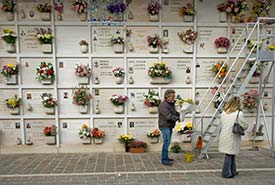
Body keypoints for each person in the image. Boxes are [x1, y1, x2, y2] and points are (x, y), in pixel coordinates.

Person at [218, 96, 248, 178]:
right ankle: (225, 173)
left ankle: (233, 171)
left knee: (231, 153)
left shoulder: (224, 112)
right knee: (229, 154)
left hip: (224, 135)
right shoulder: (239, 113)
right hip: (232, 136)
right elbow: (244, 125)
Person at [158, 89, 180, 165]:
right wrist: (177, 118)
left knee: (167, 142)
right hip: (165, 126)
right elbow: (168, 116)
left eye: (174, 96)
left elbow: (174, 113)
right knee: (166, 142)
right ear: (167, 97)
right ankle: (164, 159)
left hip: (168, 126)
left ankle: (166, 157)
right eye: (172, 96)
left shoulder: (170, 104)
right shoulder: (163, 105)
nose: (174, 98)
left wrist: (180, 114)